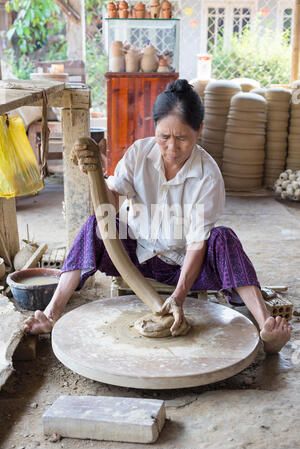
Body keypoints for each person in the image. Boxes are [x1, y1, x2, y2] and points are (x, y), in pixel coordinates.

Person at [24, 79, 291, 353]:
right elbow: (111, 205)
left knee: (224, 238)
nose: (172, 148)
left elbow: (198, 244)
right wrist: (95, 174)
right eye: (164, 137)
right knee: (96, 225)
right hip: (136, 256)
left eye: (182, 138)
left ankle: (266, 327)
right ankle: (51, 314)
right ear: (154, 128)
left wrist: (178, 296)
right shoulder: (139, 153)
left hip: (185, 267)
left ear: (198, 130)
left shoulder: (208, 176)